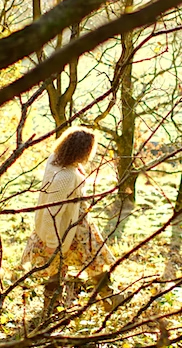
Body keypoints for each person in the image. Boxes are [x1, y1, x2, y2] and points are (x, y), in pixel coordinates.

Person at [22, 127, 118, 312]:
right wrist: (52, 241)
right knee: (69, 264)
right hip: (66, 227)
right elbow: (53, 211)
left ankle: (108, 297)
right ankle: (53, 307)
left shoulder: (57, 161)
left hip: (75, 222)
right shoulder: (66, 177)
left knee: (85, 261)